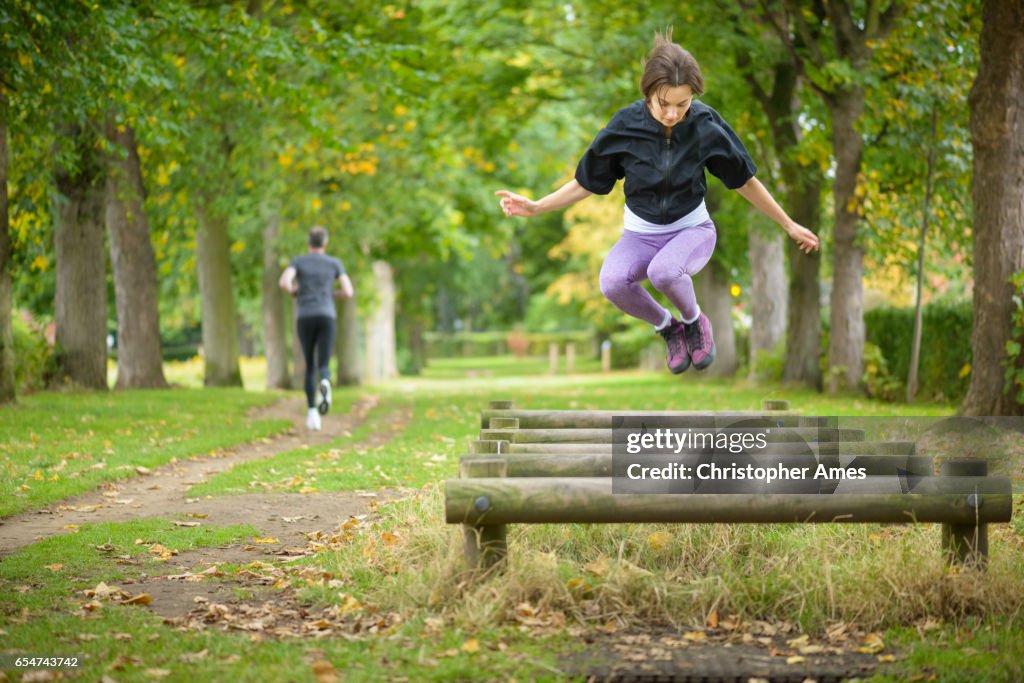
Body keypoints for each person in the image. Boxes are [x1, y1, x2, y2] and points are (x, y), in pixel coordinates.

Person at [496, 29, 818, 375]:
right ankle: (669, 327)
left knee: (664, 271)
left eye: (683, 104)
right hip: (639, 235)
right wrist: (537, 206)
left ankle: (695, 321)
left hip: (692, 231)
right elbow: (586, 182)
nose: (672, 114)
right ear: (649, 93)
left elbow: (745, 181)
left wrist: (789, 224)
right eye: (664, 103)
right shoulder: (624, 126)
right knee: (613, 282)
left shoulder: (706, 126)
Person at [279, 226, 354, 430]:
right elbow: (348, 291)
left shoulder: (298, 261)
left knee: (309, 365)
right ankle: (326, 382)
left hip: (305, 315)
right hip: (327, 315)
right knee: (324, 363)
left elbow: (284, 281)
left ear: (308, 243)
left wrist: (295, 291)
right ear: (326, 243)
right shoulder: (334, 263)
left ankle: (312, 414)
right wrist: (331, 294)